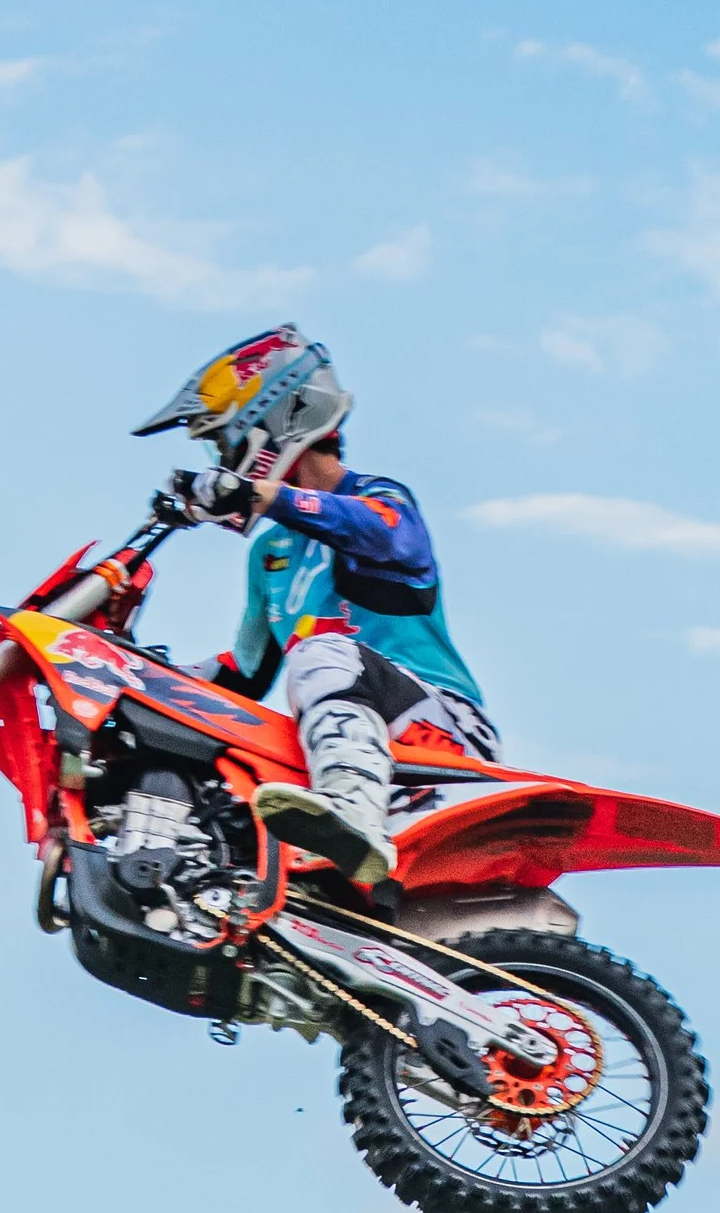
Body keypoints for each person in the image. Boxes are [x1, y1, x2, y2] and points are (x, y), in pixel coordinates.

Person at [135, 326, 496, 895]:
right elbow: (244, 674)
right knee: (226, 761)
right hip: (344, 744)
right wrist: (142, 676)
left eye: (224, 443)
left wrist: (260, 495)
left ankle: (354, 813)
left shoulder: (379, 499)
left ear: (275, 421)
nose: (223, 462)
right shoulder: (270, 553)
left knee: (320, 652)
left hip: (441, 734)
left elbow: (384, 535)